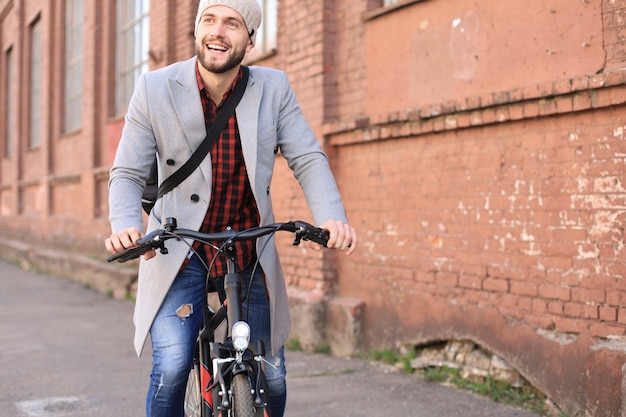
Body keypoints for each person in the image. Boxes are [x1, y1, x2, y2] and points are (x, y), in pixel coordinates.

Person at [104, 0, 357, 416]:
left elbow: (308, 157)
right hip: (178, 246)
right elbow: (127, 171)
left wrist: (332, 218)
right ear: (198, 28)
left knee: (272, 376)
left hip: (247, 245)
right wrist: (126, 225)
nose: (217, 32)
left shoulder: (273, 88)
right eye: (209, 20)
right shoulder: (155, 88)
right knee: (170, 368)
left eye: (232, 23)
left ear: (250, 40)